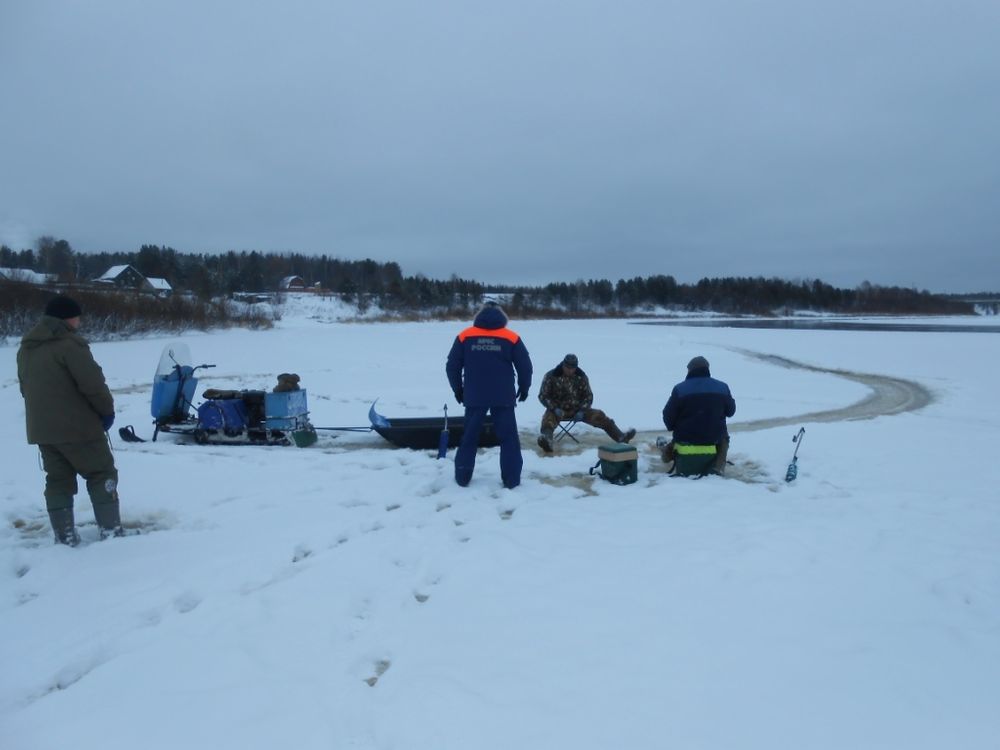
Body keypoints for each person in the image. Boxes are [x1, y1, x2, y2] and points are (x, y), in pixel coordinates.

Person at [17, 295, 123, 544]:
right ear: (68, 318)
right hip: (79, 429)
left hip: (43, 430)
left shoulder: (27, 347)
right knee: (101, 473)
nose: (79, 321)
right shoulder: (70, 345)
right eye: (77, 317)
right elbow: (93, 385)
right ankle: (111, 533)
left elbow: (25, 388)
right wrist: (106, 411)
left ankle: (64, 536)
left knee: (57, 481)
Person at [446, 302, 532, 489]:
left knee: (469, 437)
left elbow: (452, 366)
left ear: (479, 316)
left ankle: (462, 477)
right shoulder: (511, 337)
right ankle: (511, 480)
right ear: (502, 318)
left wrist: (458, 389)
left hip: (475, 395)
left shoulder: (465, 336)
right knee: (509, 439)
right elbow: (525, 366)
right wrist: (524, 388)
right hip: (503, 396)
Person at [536, 353, 635, 453]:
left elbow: (588, 396)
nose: (570, 370)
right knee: (548, 419)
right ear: (563, 365)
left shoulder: (581, 377)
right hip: (557, 410)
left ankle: (620, 437)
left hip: (578, 410)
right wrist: (554, 408)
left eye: (572, 368)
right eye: (567, 367)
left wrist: (582, 410)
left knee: (600, 415)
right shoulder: (551, 376)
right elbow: (543, 396)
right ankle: (547, 441)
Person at [662, 355, 736, 476]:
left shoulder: (680, 389)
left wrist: (676, 426)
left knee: (674, 444)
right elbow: (731, 411)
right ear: (707, 369)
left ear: (690, 370)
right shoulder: (722, 387)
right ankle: (718, 466)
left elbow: (668, 418)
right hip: (714, 438)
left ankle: (666, 454)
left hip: (685, 438)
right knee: (724, 439)